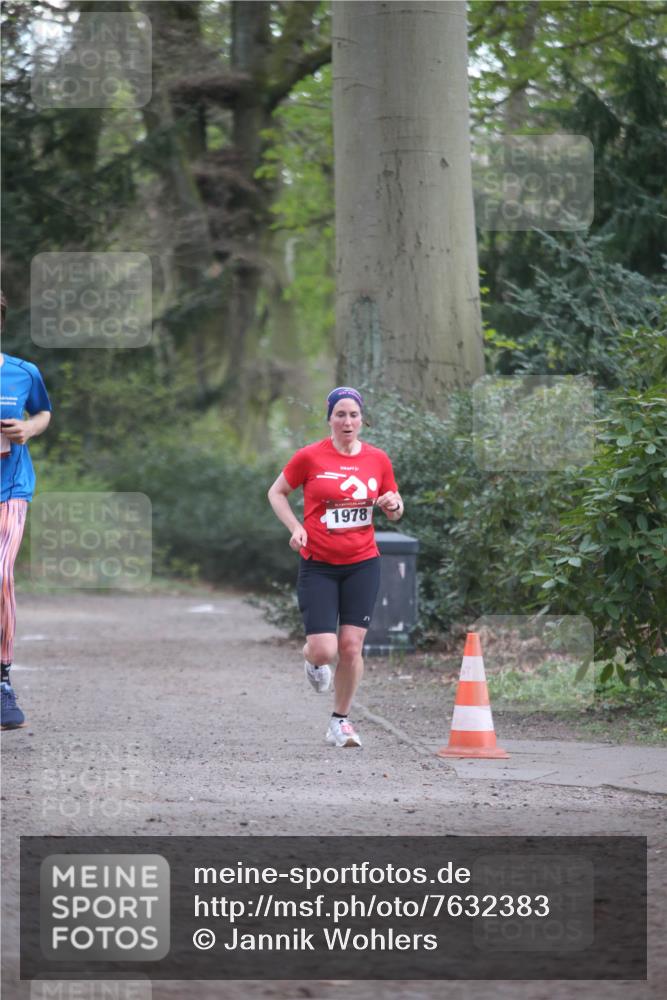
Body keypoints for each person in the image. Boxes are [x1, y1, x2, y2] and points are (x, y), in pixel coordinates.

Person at [268, 386, 403, 748]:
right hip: (319, 565)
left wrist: (392, 504)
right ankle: (312, 660)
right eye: (340, 414)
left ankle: (340, 721)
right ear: (329, 418)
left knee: (350, 646)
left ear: (362, 420)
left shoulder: (378, 459)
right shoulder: (310, 457)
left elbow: (394, 506)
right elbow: (276, 492)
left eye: (354, 415)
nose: (347, 421)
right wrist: (296, 527)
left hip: (363, 562)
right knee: (325, 650)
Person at [1, 291, 52, 731]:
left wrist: (27, 429)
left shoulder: (22, 372)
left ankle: (1, 680)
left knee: (0, 575)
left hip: (10, 490)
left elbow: (44, 413)